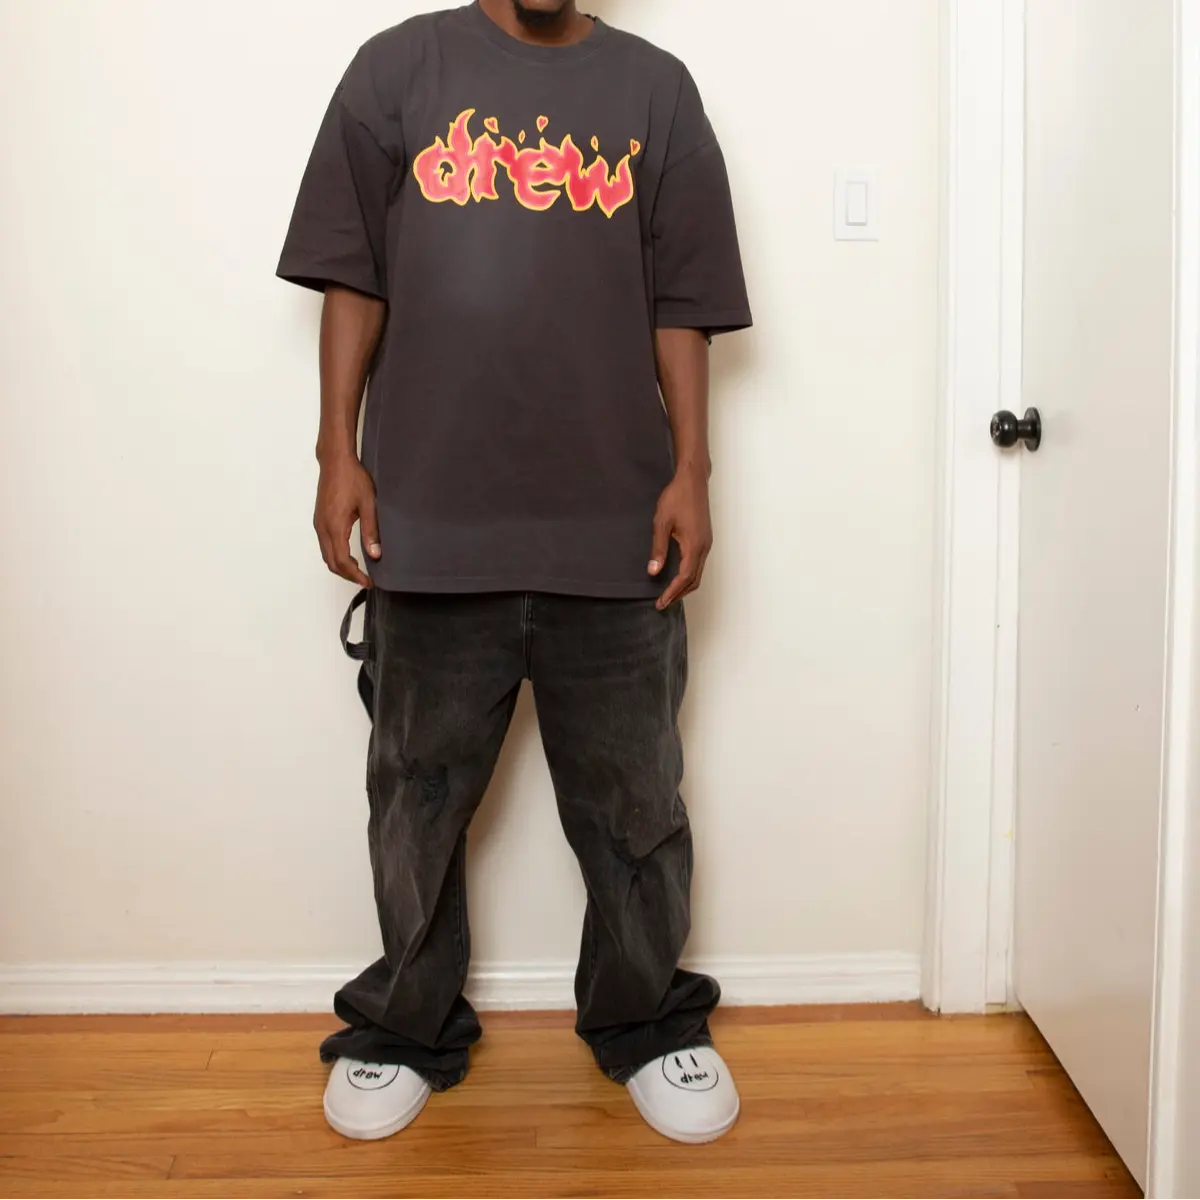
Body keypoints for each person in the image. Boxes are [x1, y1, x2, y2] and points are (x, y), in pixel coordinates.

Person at [277, 0, 752, 1146]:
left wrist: (693, 472)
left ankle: (647, 1022)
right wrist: (337, 451)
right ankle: (406, 1027)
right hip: (431, 517)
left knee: (637, 806)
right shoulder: (396, 71)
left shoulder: (658, 92)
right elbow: (354, 276)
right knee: (417, 800)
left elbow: (684, 306)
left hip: (616, 525)